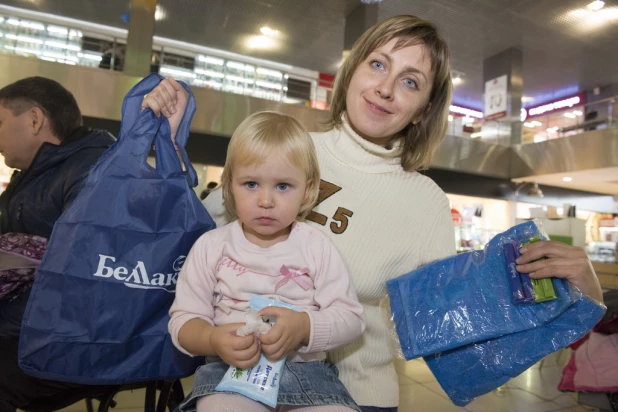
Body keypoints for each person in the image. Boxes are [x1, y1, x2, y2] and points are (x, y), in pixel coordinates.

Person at [148, 15, 604, 411]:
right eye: (378, 64)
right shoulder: (285, 149)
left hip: (356, 396)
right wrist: (162, 149)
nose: (385, 88)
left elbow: (464, 342)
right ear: (352, 71)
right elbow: (182, 243)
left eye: (410, 81)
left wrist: (574, 301)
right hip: (239, 382)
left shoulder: (425, 202)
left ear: (424, 109)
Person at [156, 111, 365, 411]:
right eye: (251, 184)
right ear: (229, 185)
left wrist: (305, 326)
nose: (266, 200)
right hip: (229, 373)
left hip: (309, 378)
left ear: (307, 190)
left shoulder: (316, 246)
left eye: (282, 186)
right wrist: (212, 339)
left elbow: (352, 319)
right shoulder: (211, 247)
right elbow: (183, 321)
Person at [0, 77, 116, 411]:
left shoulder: (96, 170)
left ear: (34, 119)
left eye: (1, 122)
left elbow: (83, 280)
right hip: (34, 326)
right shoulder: (26, 179)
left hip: (80, 337)